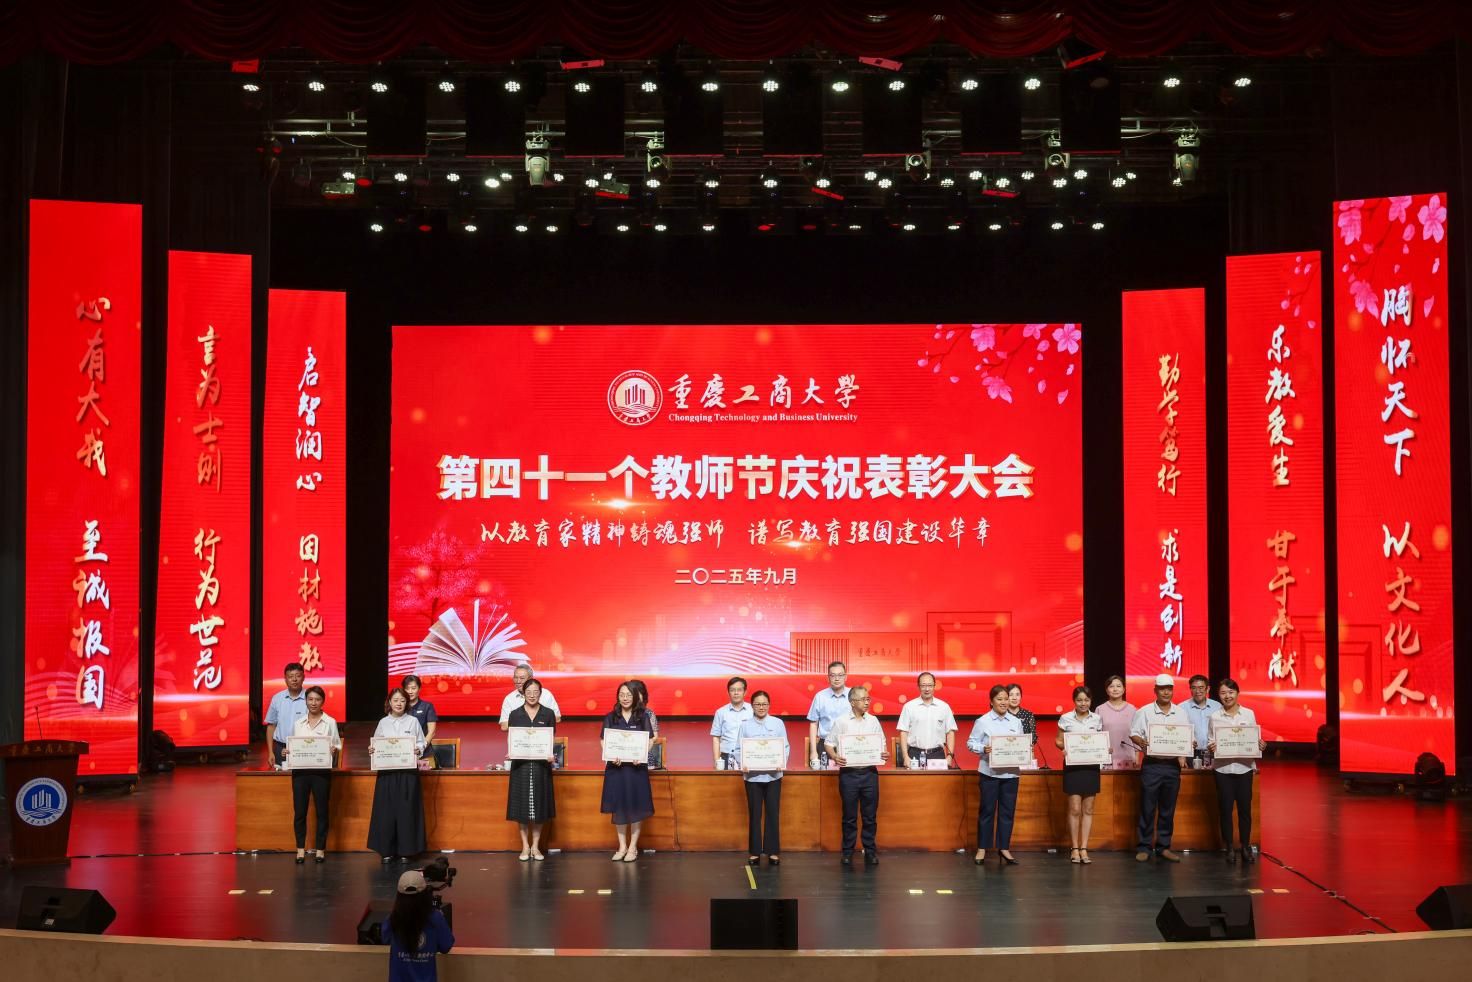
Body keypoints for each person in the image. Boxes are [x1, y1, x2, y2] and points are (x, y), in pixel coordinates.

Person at [1129, 673, 1194, 863]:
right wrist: (1142, 742)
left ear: (1172, 690)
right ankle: (1144, 847)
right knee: (1147, 807)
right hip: (1152, 765)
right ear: (1155, 690)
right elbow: (1134, 734)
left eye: (1169, 689)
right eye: (1162, 689)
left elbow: (1186, 736)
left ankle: (1163, 847)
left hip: (1172, 766)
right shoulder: (1144, 711)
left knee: (1168, 808)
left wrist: (1187, 746)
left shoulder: (1180, 712)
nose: (1166, 692)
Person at [825, 686, 887, 865]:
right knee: (849, 816)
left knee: (870, 816)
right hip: (849, 774)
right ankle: (847, 852)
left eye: (868, 699)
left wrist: (883, 753)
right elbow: (829, 743)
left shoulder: (873, 721)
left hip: (869, 773)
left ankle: (870, 851)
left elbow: (882, 744)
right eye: (863, 699)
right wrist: (835, 756)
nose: (867, 702)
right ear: (852, 702)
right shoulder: (841, 722)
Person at [1208, 678, 1266, 864]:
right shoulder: (1214, 716)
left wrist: (1260, 745)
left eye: (1231, 692)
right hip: (1223, 769)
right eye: (1223, 693)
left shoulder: (1249, 714)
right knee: (1225, 810)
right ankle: (1229, 848)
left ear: (1237, 693)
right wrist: (1212, 746)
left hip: (1244, 768)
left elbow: (1254, 739)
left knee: (1244, 810)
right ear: (1219, 695)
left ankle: (1245, 847)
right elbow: (1210, 740)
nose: (1227, 696)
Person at [368, 687, 427, 863]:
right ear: (389, 703)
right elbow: (376, 744)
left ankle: (406, 851)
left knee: (406, 811)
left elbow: (422, 742)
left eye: (402, 700)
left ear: (406, 702)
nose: (399, 704)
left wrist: (418, 749)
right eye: (395, 700)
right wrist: (372, 749)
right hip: (387, 774)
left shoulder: (413, 721)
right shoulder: (383, 722)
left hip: (408, 774)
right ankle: (386, 851)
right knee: (386, 812)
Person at [283, 684, 340, 864]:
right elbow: (293, 745)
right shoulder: (298, 723)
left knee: (322, 812)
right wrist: (287, 751)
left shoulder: (330, 722)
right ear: (306, 701)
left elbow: (337, 745)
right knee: (300, 812)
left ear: (323, 701)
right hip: (300, 773)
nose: (313, 703)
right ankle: (300, 850)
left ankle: (320, 850)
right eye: (310, 699)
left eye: (317, 699)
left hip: (321, 773)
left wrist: (333, 749)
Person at [967, 684, 1022, 865]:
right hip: (989, 774)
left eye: (1006, 699)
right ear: (991, 701)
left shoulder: (1016, 721)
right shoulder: (983, 721)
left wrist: (1024, 749)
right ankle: (982, 848)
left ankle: (1004, 848)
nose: (1004, 702)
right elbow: (971, 743)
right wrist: (984, 748)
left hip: (1011, 774)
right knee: (987, 811)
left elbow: (1020, 743)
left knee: (1007, 812)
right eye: (999, 699)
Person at [600, 681, 655, 861]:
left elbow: (650, 740)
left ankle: (633, 847)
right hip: (616, 769)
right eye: (622, 695)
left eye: (629, 695)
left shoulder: (642, 716)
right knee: (619, 806)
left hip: (636, 770)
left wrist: (642, 753)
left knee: (636, 806)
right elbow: (603, 740)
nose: (625, 698)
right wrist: (610, 755)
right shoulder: (611, 717)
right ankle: (622, 846)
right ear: (618, 697)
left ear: (635, 697)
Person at [734, 690, 788, 865]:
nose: (761, 707)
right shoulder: (745, 725)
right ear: (752, 706)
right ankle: (755, 852)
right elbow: (738, 749)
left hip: (774, 776)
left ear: (769, 705)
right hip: (752, 777)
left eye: (764, 704)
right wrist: (743, 763)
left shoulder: (778, 723)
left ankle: (773, 851)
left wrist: (781, 761)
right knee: (755, 814)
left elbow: (785, 747)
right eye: (758, 704)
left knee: (773, 813)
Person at [506, 677, 556, 861]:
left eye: (536, 692)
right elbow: (512, 738)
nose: (532, 695)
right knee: (521, 807)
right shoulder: (515, 714)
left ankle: (535, 846)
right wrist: (511, 751)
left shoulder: (548, 714)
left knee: (539, 807)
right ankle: (525, 847)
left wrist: (550, 754)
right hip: (521, 766)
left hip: (541, 766)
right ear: (523, 694)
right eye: (529, 692)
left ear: (540, 694)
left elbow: (551, 739)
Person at [1054, 684, 1102, 864]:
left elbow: (1100, 740)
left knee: (1088, 809)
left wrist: (1105, 749)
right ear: (1074, 701)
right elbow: (1058, 740)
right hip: (1073, 766)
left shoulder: (1097, 719)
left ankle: (1084, 848)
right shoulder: (1065, 718)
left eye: (1086, 700)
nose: (1083, 703)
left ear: (1091, 701)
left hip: (1091, 767)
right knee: (1074, 809)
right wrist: (1064, 747)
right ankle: (1074, 848)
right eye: (1079, 700)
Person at [384, 869, 454, 982]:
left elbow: (385, 938)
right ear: (424, 894)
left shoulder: (393, 919)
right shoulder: (436, 918)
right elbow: (446, 946)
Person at [896, 672, 957, 768]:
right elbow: (903, 732)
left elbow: (950, 733)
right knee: (914, 779)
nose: (927, 689)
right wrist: (905, 756)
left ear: (934, 686)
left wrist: (950, 756)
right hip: (915, 754)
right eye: (923, 685)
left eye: (930, 685)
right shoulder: (909, 707)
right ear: (918, 687)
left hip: (937, 755)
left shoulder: (944, 707)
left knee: (939, 779)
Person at [806, 661, 851, 768]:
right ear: (828, 678)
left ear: (846, 677)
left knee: (849, 776)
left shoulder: (853, 695)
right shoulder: (820, 696)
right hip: (825, 744)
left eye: (840, 675)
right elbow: (813, 724)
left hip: (848, 744)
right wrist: (813, 752)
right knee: (825, 777)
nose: (837, 679)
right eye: (833, 675)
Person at [263, 662, 307, 767]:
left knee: (302, 776)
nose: (294, 679)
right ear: (285, 679)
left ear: (303, 677)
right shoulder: (277, 698)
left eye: (298, 676)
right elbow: (271, 726)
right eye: (290, 676)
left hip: (303, 748)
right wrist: (270, 752)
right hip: (280, 748)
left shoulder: (310, 698)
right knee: (281, 777)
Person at [499, 662, 562, 730]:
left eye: (522, 678)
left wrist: (536, 721)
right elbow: (504, 726)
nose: (518, 681)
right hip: (519, 736)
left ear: (530, 678)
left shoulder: (546, 694)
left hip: (542, 735)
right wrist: (530, 723)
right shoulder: (509, 698)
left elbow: (557, 718)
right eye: (515, 677)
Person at [710, 676, 753, 769]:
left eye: (739, 690)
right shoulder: (720, 712)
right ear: (728, 692)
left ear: (745, 692)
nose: (736, 693)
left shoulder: (753, 710)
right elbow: (716, 738)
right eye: (732, 690)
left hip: (749, 755)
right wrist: (717, 761)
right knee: (727, 779)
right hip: (726, 756)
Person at [1098, 674, 1139, 769]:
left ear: (1124, 689)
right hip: (1107, 759)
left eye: (1118, 686)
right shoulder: (1100, 709)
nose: (1115, 689)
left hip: (1128, 759)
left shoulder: (1132, 709)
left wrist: (1137, 757)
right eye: (1111, 686)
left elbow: (1136, 734)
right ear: (1106, 690)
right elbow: (1097, 736)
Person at [1184, 673, 1222, 769]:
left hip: (1214, 754)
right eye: (1194, 688)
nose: (1198, 691)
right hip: (1191, 754)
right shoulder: (1182, 708)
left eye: (1201, 687)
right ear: (1190, 689)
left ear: (1207, 689)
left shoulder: (1217, 707)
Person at [402, 674, 438, 760]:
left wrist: (421, 747)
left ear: (419, 689)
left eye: (413, 688)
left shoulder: (427, 706)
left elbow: (431, 732)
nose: (410, 691)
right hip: (403, 752)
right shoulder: (399, 707)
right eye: (407, 688)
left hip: (425, 753)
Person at [1006, 683, 1038, 751]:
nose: (1014, 698)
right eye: (1011, 695)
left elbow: (1033, 736)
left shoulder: (1028, 714)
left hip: (1023, 750)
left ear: (1021, 696)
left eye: (1017, 694)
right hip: (1006, 750)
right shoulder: (1002, 714)